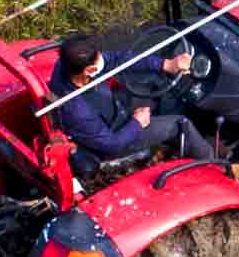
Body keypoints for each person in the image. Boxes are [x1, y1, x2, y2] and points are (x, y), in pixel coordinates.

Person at [50, 30, 220, 178]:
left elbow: (118, 59)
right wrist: (137, 123)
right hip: (116, 136)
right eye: (99, 59)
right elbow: (110, 144)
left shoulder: (67, 64)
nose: (104, 58)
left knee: (155, 83)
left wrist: (166, 64)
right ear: (89, 70)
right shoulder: (77, 111)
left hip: (114, 109)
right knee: (181, 124)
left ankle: (166, 140)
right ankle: (215, 168)